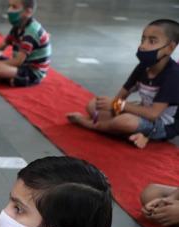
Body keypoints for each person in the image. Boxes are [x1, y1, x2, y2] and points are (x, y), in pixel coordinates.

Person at [67, 19, 179, 149]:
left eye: (152, 41)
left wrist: (119, 106)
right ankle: (131, 134)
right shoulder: (143, 67)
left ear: (170, 48)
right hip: (142, 113)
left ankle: (92, 125)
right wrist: (113, 107)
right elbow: (120, 98)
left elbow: (153, 114)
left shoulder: (174, 75)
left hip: (162, 125)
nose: (143, 46)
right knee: (93, 105)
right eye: (142, 40)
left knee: (124, 121)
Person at [0, 0, 51, 87]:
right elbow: (4, 44)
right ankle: (0, 75)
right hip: (21, 65)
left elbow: (18, 61)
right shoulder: (18, 26)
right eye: (10, 6)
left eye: (14, 7)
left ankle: (0, 75)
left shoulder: (31, 32)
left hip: (32, 71)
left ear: (27, 12)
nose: (9, 10)